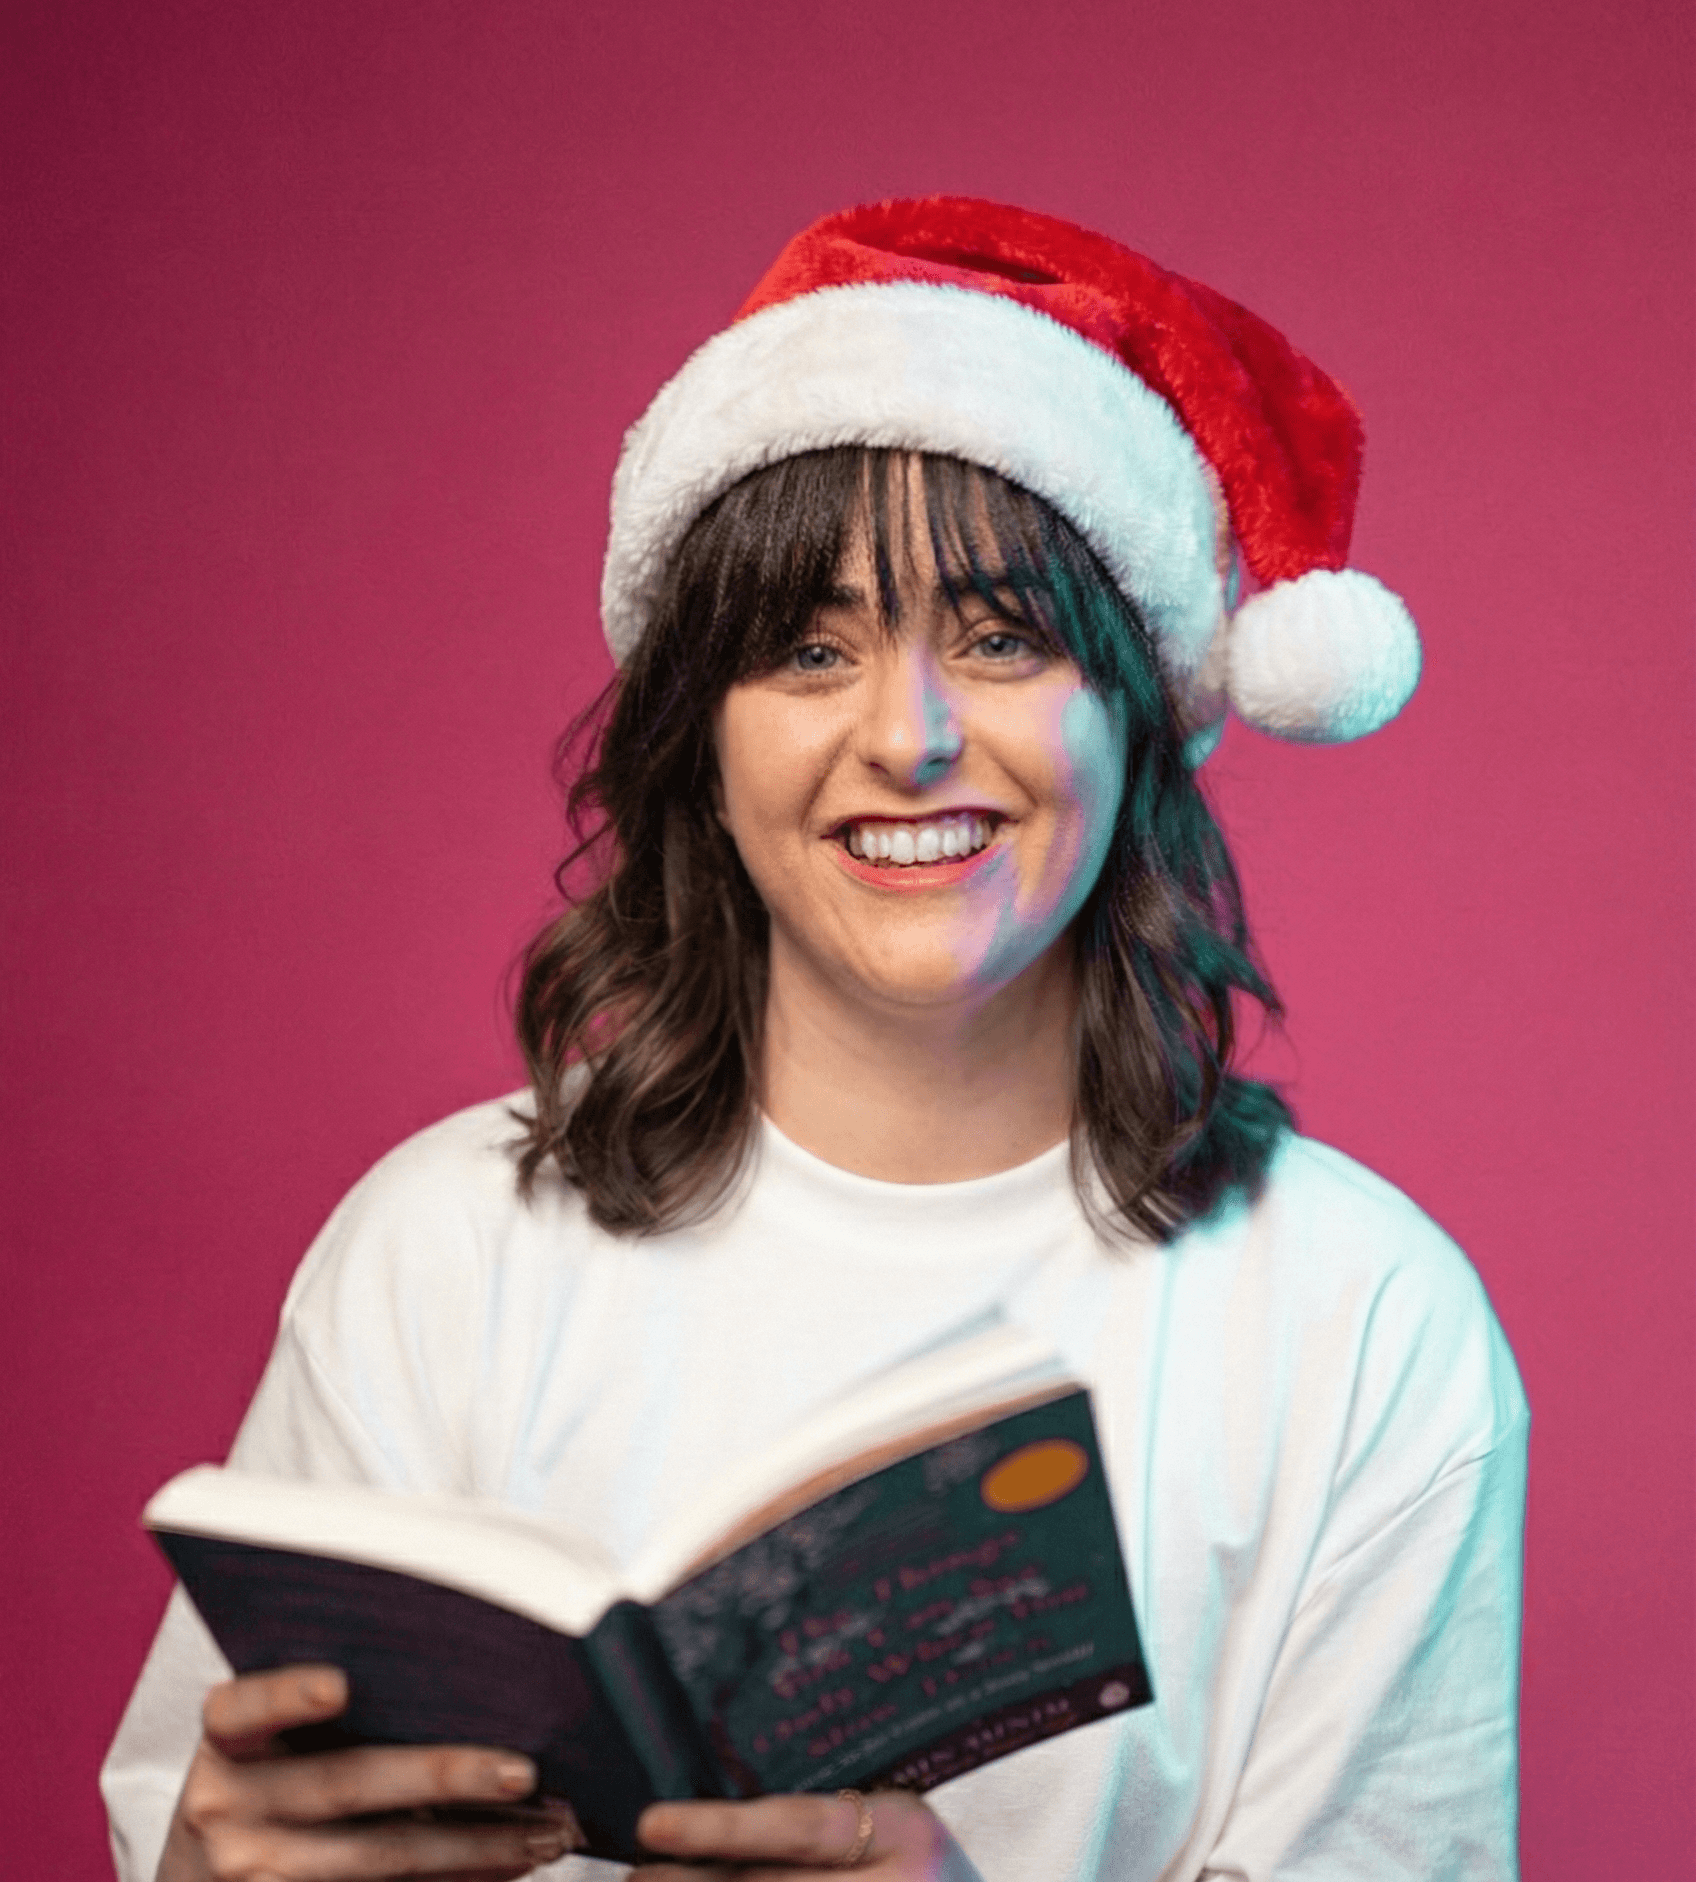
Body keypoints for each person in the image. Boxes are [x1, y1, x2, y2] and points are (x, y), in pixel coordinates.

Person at [102, 197, 1528, 1882]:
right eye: (806, 647)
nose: (908, 737)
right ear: (702, 742)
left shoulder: (1363, 1321)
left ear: (1138, 713)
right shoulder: (434, 1252)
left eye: (1003, 638)